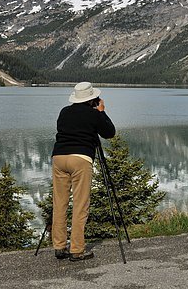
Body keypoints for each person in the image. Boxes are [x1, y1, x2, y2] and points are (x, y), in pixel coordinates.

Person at [51, 82, 116, 261]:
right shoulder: (94, 114)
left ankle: (59, 246)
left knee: (60, 203)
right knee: (80, 205)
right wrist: (102, 112)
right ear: (92, 99)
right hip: (80, 159)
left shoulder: (64, 111)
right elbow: (110, 133)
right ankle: (77, 250)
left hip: (58, 157)